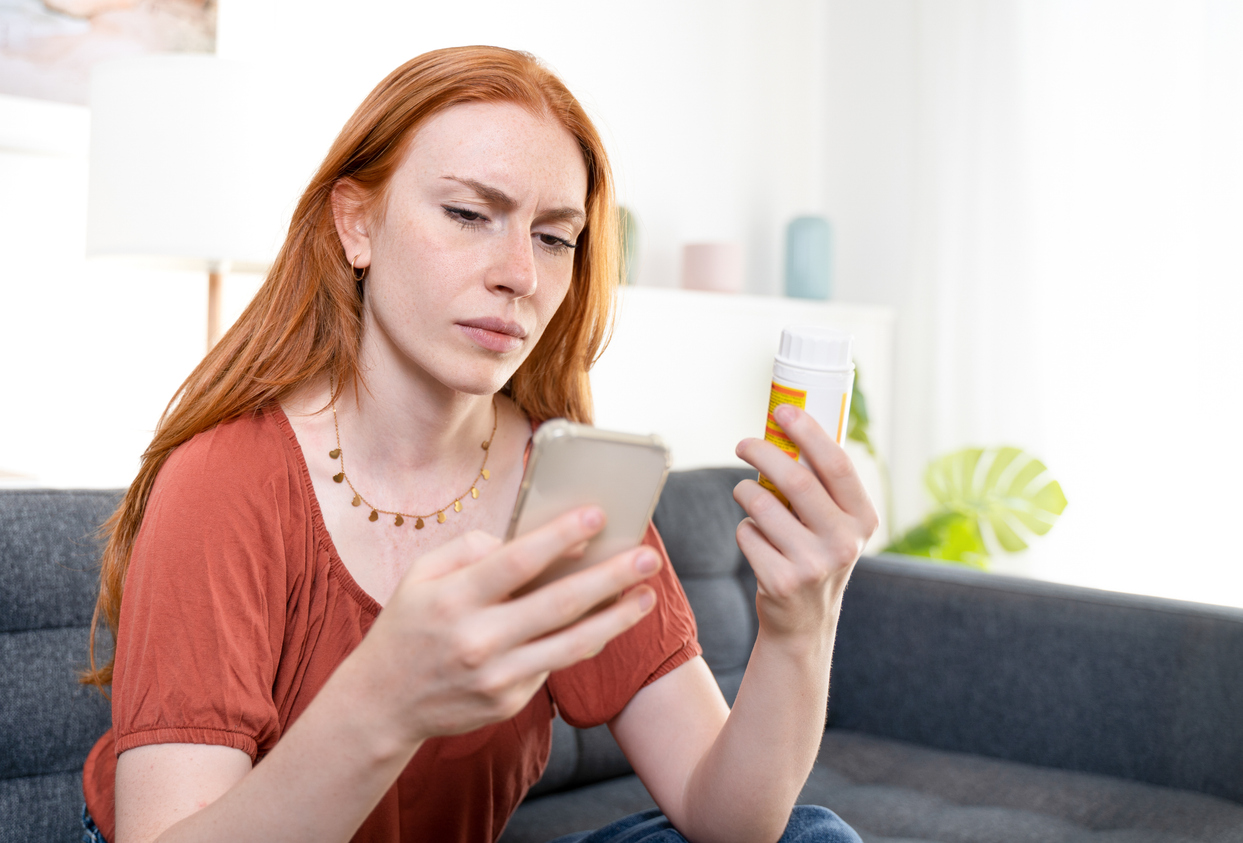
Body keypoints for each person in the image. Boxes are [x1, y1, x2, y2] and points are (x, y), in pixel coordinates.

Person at [80, 46, 878, 843]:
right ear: (357, 223)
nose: (518, 274)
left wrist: (800, 621)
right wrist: (386, 700)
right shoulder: (225, 478)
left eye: (553, 238)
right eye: (467, 215)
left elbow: (730, 821)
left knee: (813, 837)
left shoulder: (565, 481)